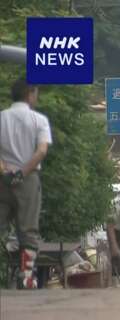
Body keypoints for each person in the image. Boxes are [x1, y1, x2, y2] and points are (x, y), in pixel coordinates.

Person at [0, 79, 52, 289]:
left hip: (2, 179)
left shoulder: (1, 118)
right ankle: (26, 276)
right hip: (28, 179)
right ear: (30, 93)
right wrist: (22, 172)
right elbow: (41, 151)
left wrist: (5, 171)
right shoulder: (39, 120)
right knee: (28, 228)